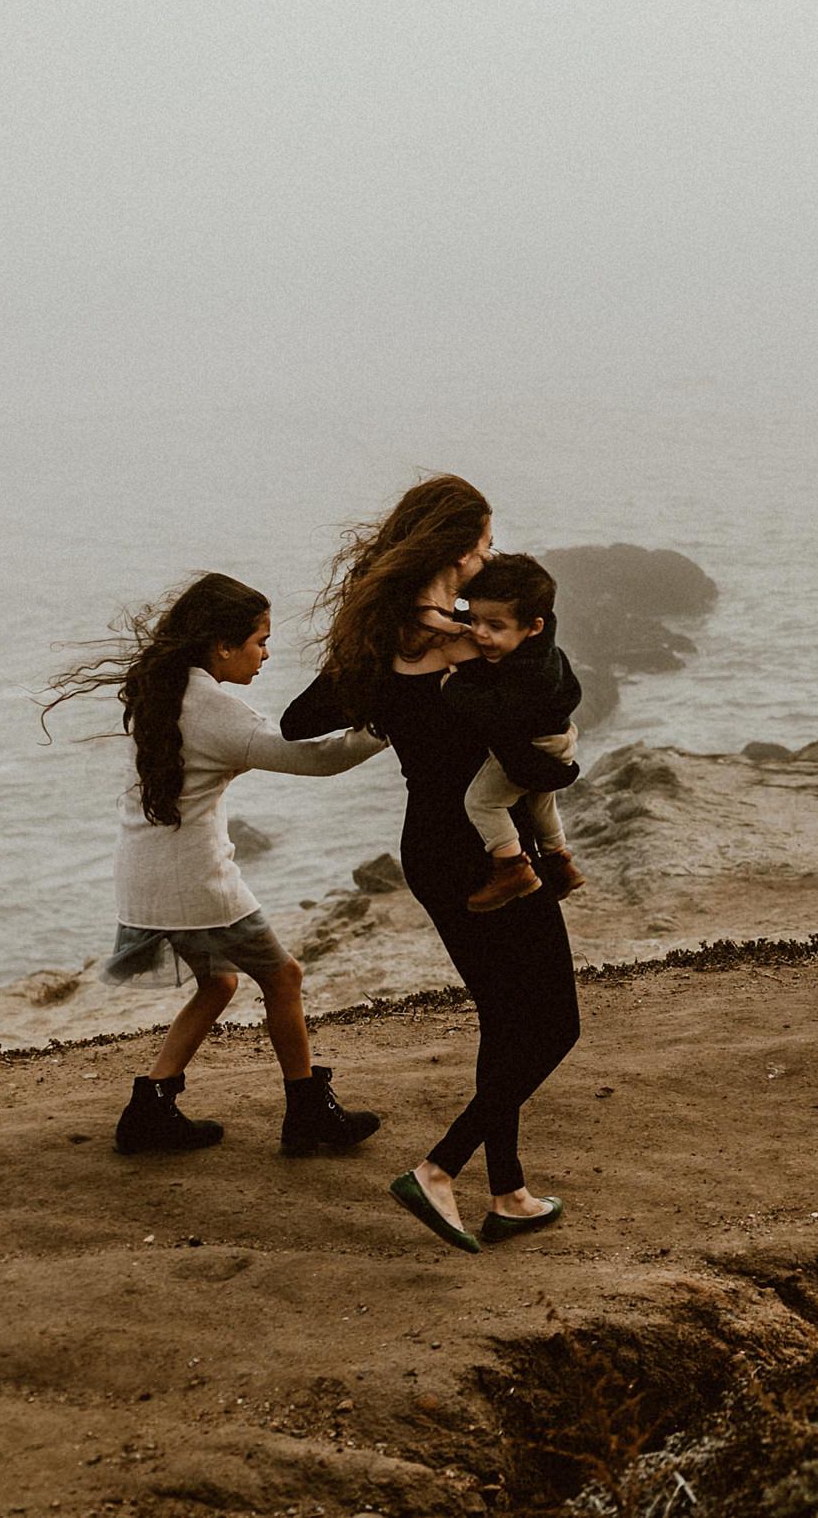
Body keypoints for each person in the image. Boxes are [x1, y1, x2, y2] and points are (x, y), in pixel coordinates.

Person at [282, 476, 580, 1252]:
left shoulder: (383, 640)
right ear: (456, 549)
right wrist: (557, 766)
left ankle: (508, 1192)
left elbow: (299, 720)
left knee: (505, 1018)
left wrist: (389, 705)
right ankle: (440, 1168)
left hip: (428, 846)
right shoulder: (469, 642)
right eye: (484, 544)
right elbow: (549, 707)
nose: (489, 558)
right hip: (486, 848)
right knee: (554, 1023)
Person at [42, 573, 387, 1156]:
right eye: (259, 641)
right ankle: (308, 1114)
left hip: (147, 873)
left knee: (219, 982)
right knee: (284, 977)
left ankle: (150, 1110)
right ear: (223, 646)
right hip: (195, 881)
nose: (266, 654)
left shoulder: (162, 689)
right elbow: (315, 759)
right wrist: (386, 727)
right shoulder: (213, 709)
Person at [440, 553, 587, 913]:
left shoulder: (530, 673)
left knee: (483, 802)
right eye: (474, 619)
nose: (480, 633)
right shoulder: (542, 646)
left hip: (537, 745)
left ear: (533, 626)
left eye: (495, 626)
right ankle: (560, 862)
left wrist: (453, 687)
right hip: (560, 738)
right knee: (540, 804)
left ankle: (511, 869)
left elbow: (495, 712)